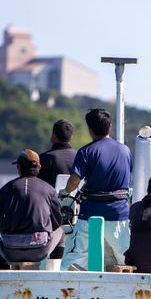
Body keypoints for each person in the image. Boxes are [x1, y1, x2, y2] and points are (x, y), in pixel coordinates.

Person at [60, 109, 132, 270]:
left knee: (77, 256)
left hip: (90, 214)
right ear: (110, 126)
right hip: (118, 214)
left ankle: (62, 288)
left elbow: (74, 181)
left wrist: (64, 192)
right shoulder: (125, 151)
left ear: (90, 129)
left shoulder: (86, 152)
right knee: (126, 257)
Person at [0, 149, 64, 269]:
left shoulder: (5, 189)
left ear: (19, 168)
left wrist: (10, 234)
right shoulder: (49, 190)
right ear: (39, 167)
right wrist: (45, 231)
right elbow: (58, 221)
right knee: (61, 233)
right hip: (40, 250)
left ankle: (5, 277)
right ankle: (52, 273)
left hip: (11, 251)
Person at [38, 119, 76, 189]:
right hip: (74, 199)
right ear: (71, 137)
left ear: (53, 136)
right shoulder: (79, 156)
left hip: (50, 199)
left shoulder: (44, 158)